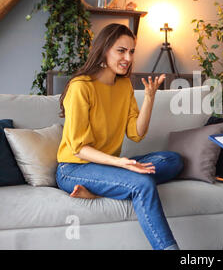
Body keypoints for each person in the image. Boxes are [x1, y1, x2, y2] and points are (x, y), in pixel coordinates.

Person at [56, 23, 183, 250]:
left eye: (132, 51)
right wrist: (120, 163)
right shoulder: (81, 87)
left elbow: (136, 134)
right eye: (121, 50)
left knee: (173, 160)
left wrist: (150, 97)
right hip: (74, 168)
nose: (128, 57)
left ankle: (103, 188)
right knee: (142, 183)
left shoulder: (124, 85)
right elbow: (78, 148)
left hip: (107, 166)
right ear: (104, 50)